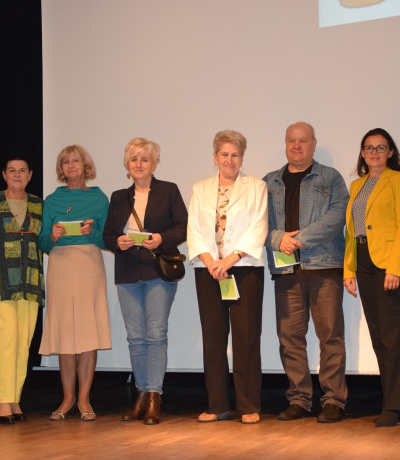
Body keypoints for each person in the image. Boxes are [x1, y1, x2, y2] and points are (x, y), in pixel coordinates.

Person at [263, 122, 348, 423]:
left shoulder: (331, 177)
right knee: (290, 338)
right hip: (286, 271)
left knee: (330, 336)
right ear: (285, 144)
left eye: (303, 141)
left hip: (324, 267)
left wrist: (299, 239)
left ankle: (334, 400)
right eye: (291, 140)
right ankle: (299, 400)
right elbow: (256, 223)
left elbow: (337, 217)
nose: (296, 146)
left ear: (313, 144)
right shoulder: (269, 182)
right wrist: (277, 239)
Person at [103, 138, 187, 425]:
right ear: (127, 164)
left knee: (155, 334)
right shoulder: (118, 197)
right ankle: (140, 395)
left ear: (154, 163)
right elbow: (107, 235)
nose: (138, 164)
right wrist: (118, 242)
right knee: (135, 338)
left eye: (144, 159)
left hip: (158, 272)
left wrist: (161, 238)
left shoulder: (169, 190)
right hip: (127, 271)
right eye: (134, 159)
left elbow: (183, 227)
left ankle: (154, 395)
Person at [187, 130, 268, 425]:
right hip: (209, 271)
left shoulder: (256, 186)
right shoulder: (200, 188)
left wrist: (230, 259)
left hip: (244, 268)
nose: (229, 160)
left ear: (242, 158)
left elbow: (258, 227)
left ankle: (248, 405)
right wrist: (212, 263)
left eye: (235, 155)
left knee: (246, 338)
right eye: (224, 154)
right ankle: (217, 405)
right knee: (213, 338)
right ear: (215, 157)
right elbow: (194, 229)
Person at [344, 128, 400, 427]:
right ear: (362, 153)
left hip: (389, 264)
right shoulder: (357, 184)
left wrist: (395, 268)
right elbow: (352, 231)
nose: (374, 152)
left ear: (390, 152)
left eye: (380, 147)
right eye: (369, 148)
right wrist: (349, 270)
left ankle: (394, 407)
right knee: (379, 339)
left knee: (391, 337)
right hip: (363, 262)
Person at [39, 144, 111, 422]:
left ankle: (84, 399)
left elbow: (107, 240)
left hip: (89, 265)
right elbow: (43, 242)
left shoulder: (99, 198)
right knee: (66, 334)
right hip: (60, 266)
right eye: (65, 162)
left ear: (85, 166)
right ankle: (67, 398)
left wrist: (92, 233)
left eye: (75, 161)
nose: (71, 165)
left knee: (87, 332)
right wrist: (53, 236)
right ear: (61, 169)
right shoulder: (52, 200)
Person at [0, 153, 44, 424]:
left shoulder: (39, 204)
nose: (17, 174)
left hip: (30, 281)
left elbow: (43, 239)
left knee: (23, 343)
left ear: (30, 175)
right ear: (4, 175)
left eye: (22, 170)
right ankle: (3, 401)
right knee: (4, 341)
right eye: (12, 170)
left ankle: (14, 397)